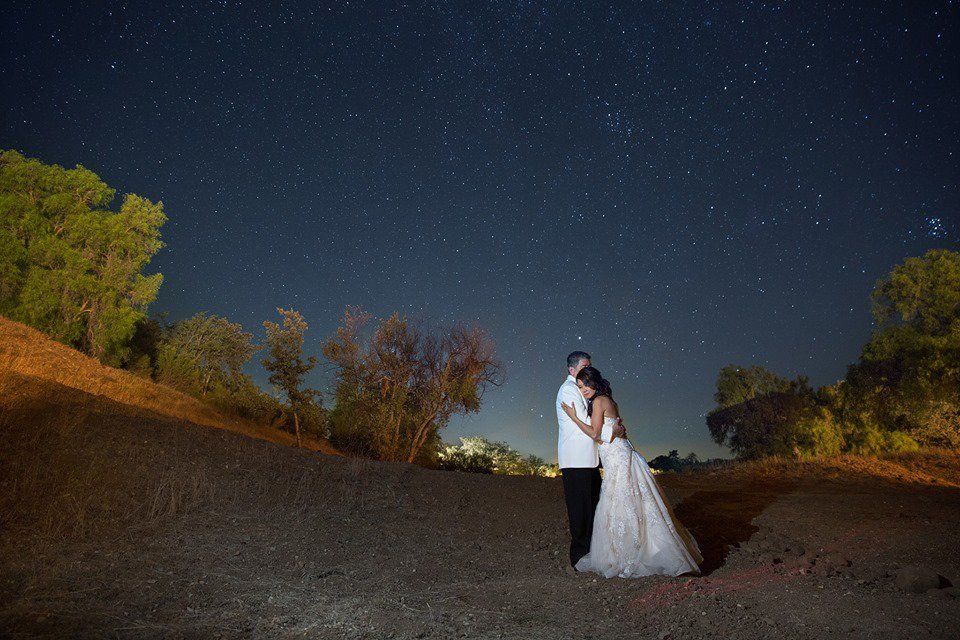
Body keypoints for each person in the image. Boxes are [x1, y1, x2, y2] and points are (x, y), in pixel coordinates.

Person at [560, 366, 702, 577]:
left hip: (617, 457)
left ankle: (631, 554)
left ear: (594, 382)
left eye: (586, 386)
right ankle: (639, 549)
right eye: (580, 387)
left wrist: (573, 416)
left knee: (621, 502)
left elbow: (594, 433)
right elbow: (609, 429)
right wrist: (614, 430)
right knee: (631, 502)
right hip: (619, 454)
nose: (583, 391)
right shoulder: (608, 400)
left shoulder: (599, 401)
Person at [555, 351, 625, 570]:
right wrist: (612, 432)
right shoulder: (568, 390)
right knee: (580, 510)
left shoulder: (582, 390)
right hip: (577, 460)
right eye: (584, 366)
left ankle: (593, 553)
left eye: (590, 366)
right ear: (571, 369)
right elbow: (587, 423)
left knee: (593, 507)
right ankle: (579, 559)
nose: (587, 370)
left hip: (589, 459)